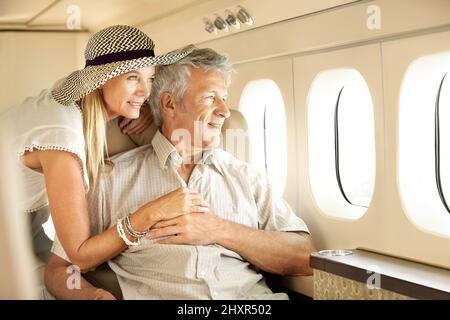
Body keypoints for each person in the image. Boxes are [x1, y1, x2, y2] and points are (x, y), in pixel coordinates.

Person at [45, 46, 315, 300]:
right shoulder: (111, 179)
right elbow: (58, 271)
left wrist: (218, 230)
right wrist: (93, 297)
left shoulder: (249, 177)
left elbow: (306, 258)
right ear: (170, 105)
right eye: (210, 97)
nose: (223, 111)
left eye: (224, 99)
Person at [0, 25, 200, 299]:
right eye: (133, 78)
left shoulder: (73, 102)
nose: (145, 91)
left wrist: (135, 107)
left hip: (23, 217)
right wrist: (150, 214)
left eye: (150, 79)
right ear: (99, 80)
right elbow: (80, 255)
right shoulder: (62, 141)